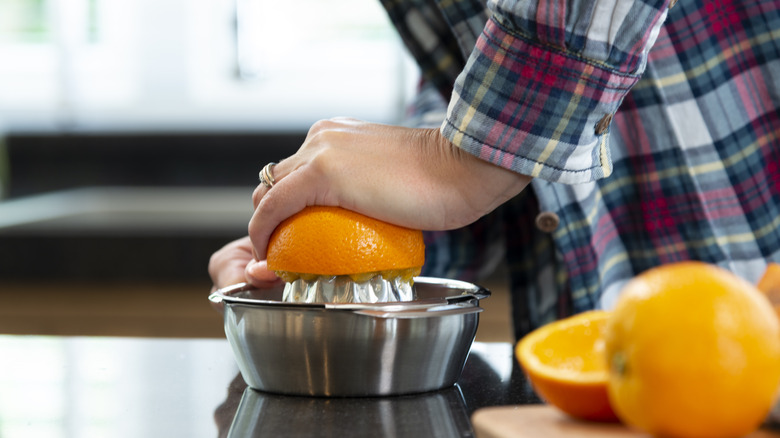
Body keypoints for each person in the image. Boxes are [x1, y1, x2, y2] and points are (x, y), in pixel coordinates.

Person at [209, 0, 780, 339]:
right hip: (609, 371)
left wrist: (460, 159)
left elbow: (475, 148)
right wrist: (362, 245)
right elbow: (470, 75)